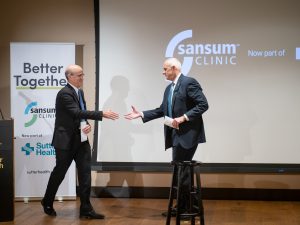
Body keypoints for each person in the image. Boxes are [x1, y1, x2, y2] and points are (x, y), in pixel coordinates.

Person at [124, 57, 208, 215]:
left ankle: (186, 207)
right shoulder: (169, 88)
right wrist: (141, 114)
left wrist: (183, 118)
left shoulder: (189, 82)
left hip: (188, 135)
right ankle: (188, 205)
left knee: (182, 172)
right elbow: (162, 110)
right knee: (180, 172)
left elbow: (203, 104)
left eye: (165, 69)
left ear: (174, 68)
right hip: (175, 135)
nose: (163, 72)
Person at [41, 64, 119, 219]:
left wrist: (87, 125)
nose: (82, 77)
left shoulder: (80, 92)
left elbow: (81, 114)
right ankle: (47, 201)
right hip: (66, 141)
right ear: (69, 76)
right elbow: (75, 112)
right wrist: (101, 114)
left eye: (83, 74)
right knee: (60, 173)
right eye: (79, 75)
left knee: (85, 174)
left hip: (81, 140)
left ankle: (86, 209)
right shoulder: (64, 93)